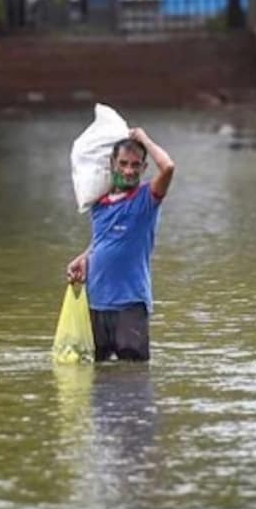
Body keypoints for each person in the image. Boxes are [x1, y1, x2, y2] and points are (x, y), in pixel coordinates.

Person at [65, 127, 175, 361]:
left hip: (130, 303)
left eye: (135, 165)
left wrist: (143, 138)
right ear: (112, 164)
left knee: (133, 374)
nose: (128, 170)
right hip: (96, 301)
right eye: (123, 163)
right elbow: (103, 239)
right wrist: (85, 257)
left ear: (144, 169)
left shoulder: (147, 199)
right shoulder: (98, 204)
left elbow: (168, 167)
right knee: (99, 375)